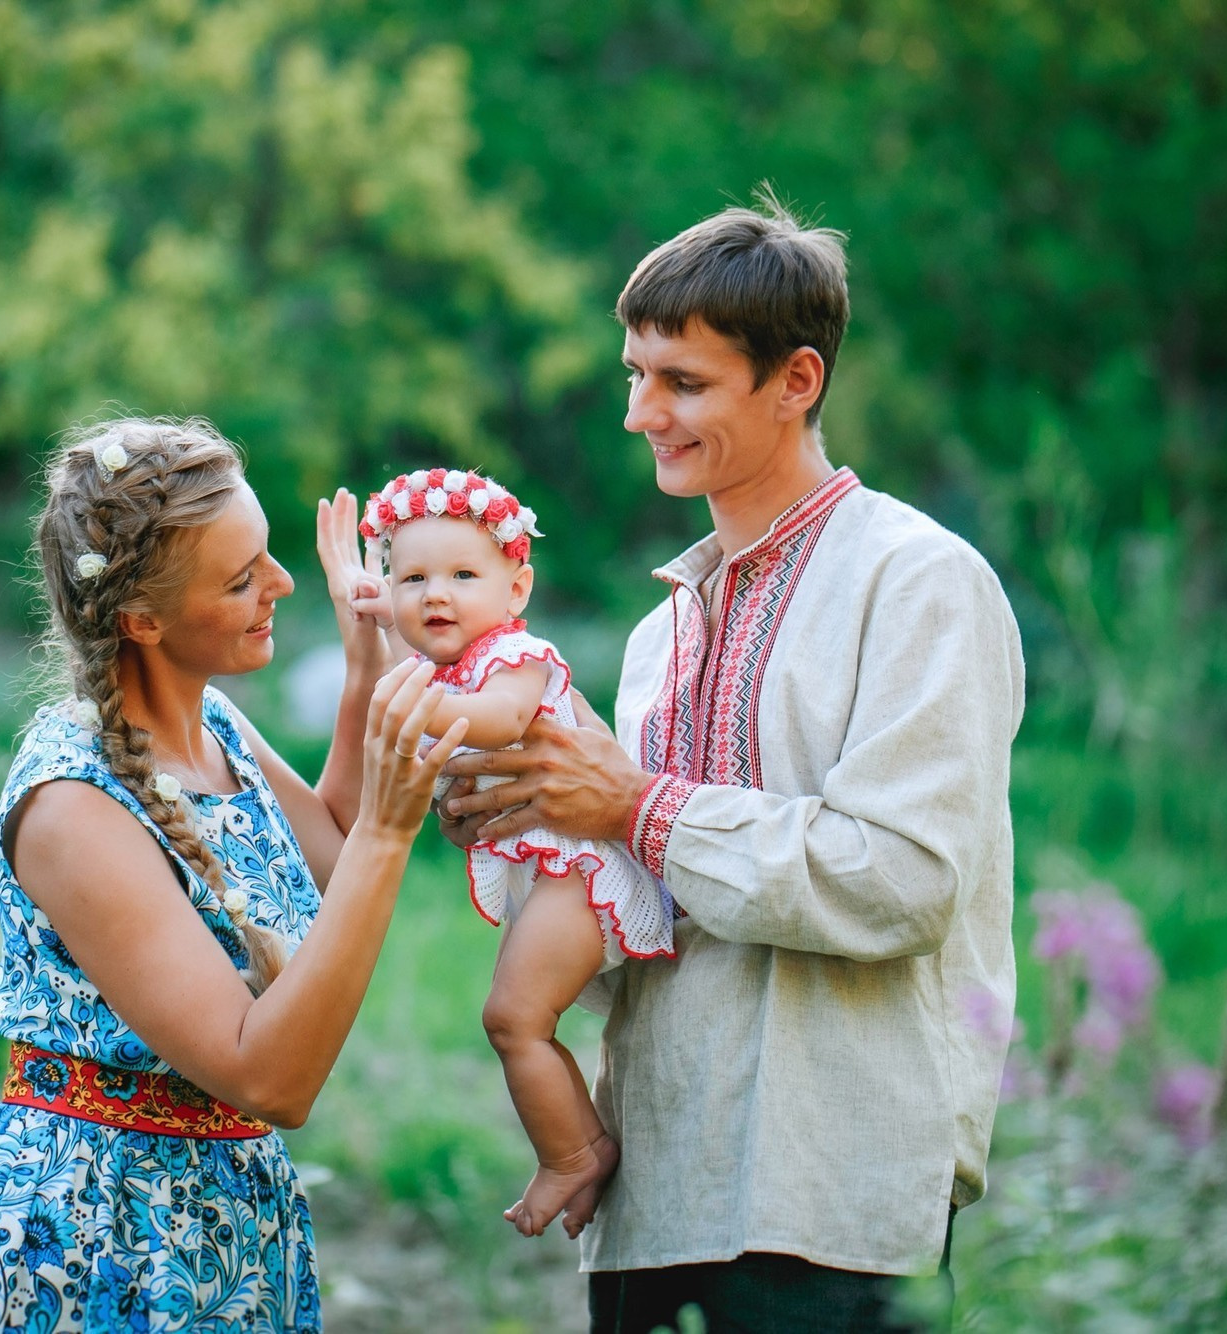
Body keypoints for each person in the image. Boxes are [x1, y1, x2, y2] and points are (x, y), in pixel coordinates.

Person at [438, 193, 1027, 1332]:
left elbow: (899, 878)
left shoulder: (917, 581)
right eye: (633, 375)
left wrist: (636, 805)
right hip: (652, 1190)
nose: (638, 413)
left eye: (682, 382)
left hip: (830, 1195)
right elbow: (654, 903)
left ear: (795, 381)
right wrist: (540, 835)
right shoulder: (663, 631)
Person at [0, 417, 466, 1333]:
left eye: (269, 556)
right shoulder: (75, 804)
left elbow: (332, 856)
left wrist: (365, 665)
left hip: (220, 1226)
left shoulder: (215, 725)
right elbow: (271, 1078)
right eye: (242, 580)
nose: (280, 586)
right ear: (142, 621)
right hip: (90, 1241)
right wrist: (393, 832)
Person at [343, 466, 672, 1241]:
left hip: (581, 866)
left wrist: (416, 697)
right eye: (412, 578)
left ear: (515, 591)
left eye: (463, 575)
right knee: (518, 1023)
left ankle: (570, 1155)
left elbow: (495, 720)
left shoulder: (518, 657)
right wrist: (380, 636)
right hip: (549, 873)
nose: (436, 594)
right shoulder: (437, 672)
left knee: (513, 1017)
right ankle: (582, 1141)